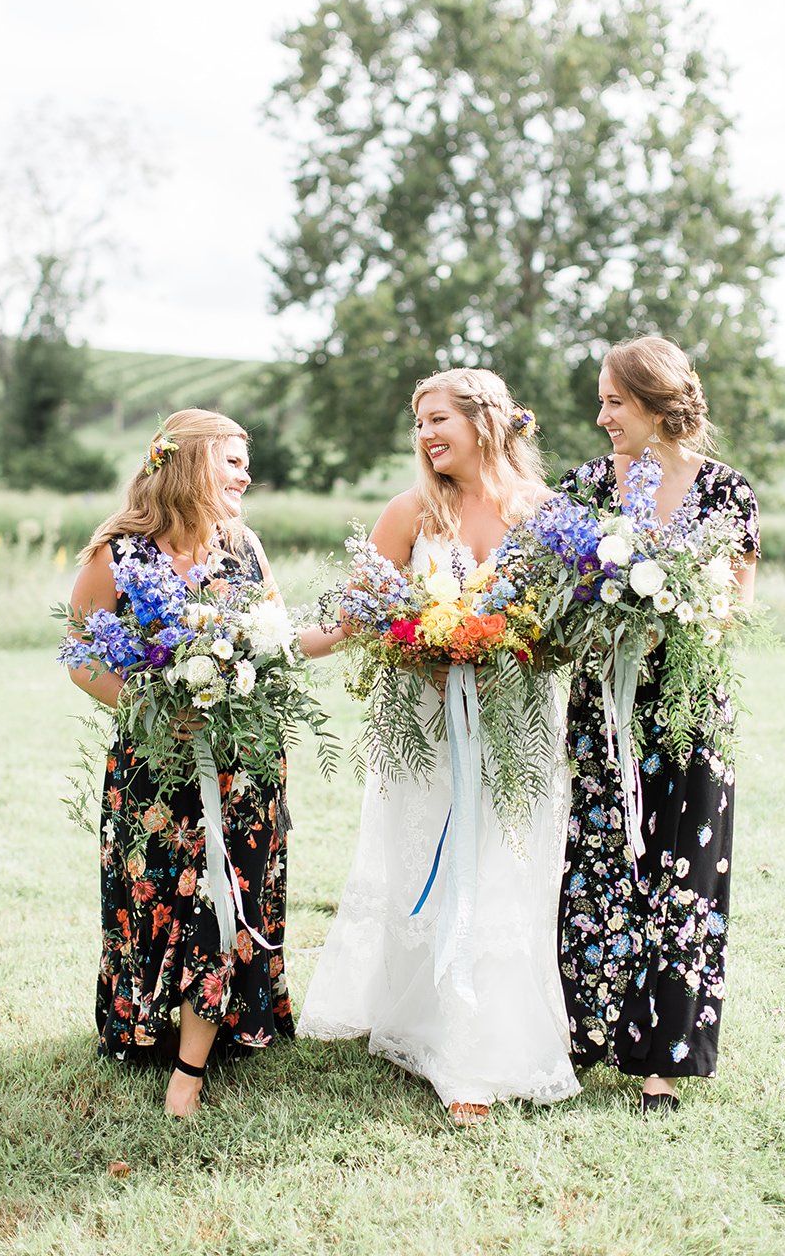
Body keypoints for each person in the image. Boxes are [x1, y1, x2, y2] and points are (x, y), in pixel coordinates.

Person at [298, 368, 579, 1123]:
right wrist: (271, 648)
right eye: (417, 422)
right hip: (421, 728)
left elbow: (567, 632)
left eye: (436, 419)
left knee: (497, 869)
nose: (424, 435)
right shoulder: (411, 512)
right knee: (423, 864)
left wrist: (507, 644)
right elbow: (354, 613)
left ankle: (475, 1057)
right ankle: (425, 1021)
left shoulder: (548, 514)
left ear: (483, 421)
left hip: (515, 725)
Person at [67, 408, 292, 1117]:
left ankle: (193, 1065)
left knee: (224, 894)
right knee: (154, 895)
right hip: (155, 763)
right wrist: (149, 701)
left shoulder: (244, 545)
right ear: (192, 463)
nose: (245, 475)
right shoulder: (119, 553)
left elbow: (276, 639)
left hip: (245, 762)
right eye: (233, 460)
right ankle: (147, 1019)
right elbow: (80, 655)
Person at [556, 338, 759, 1113]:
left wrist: (674, 617)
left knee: (684, 876)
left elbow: (737, 606)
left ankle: (662, 1061)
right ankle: (583, 1036)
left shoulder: (726, 493)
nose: (601, 415)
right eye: (602, 400)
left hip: (687, 709)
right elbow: (551, 597)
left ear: (655, 404)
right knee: (594, 865)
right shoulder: (582, 490)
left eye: (613, 400)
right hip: (599, 709)